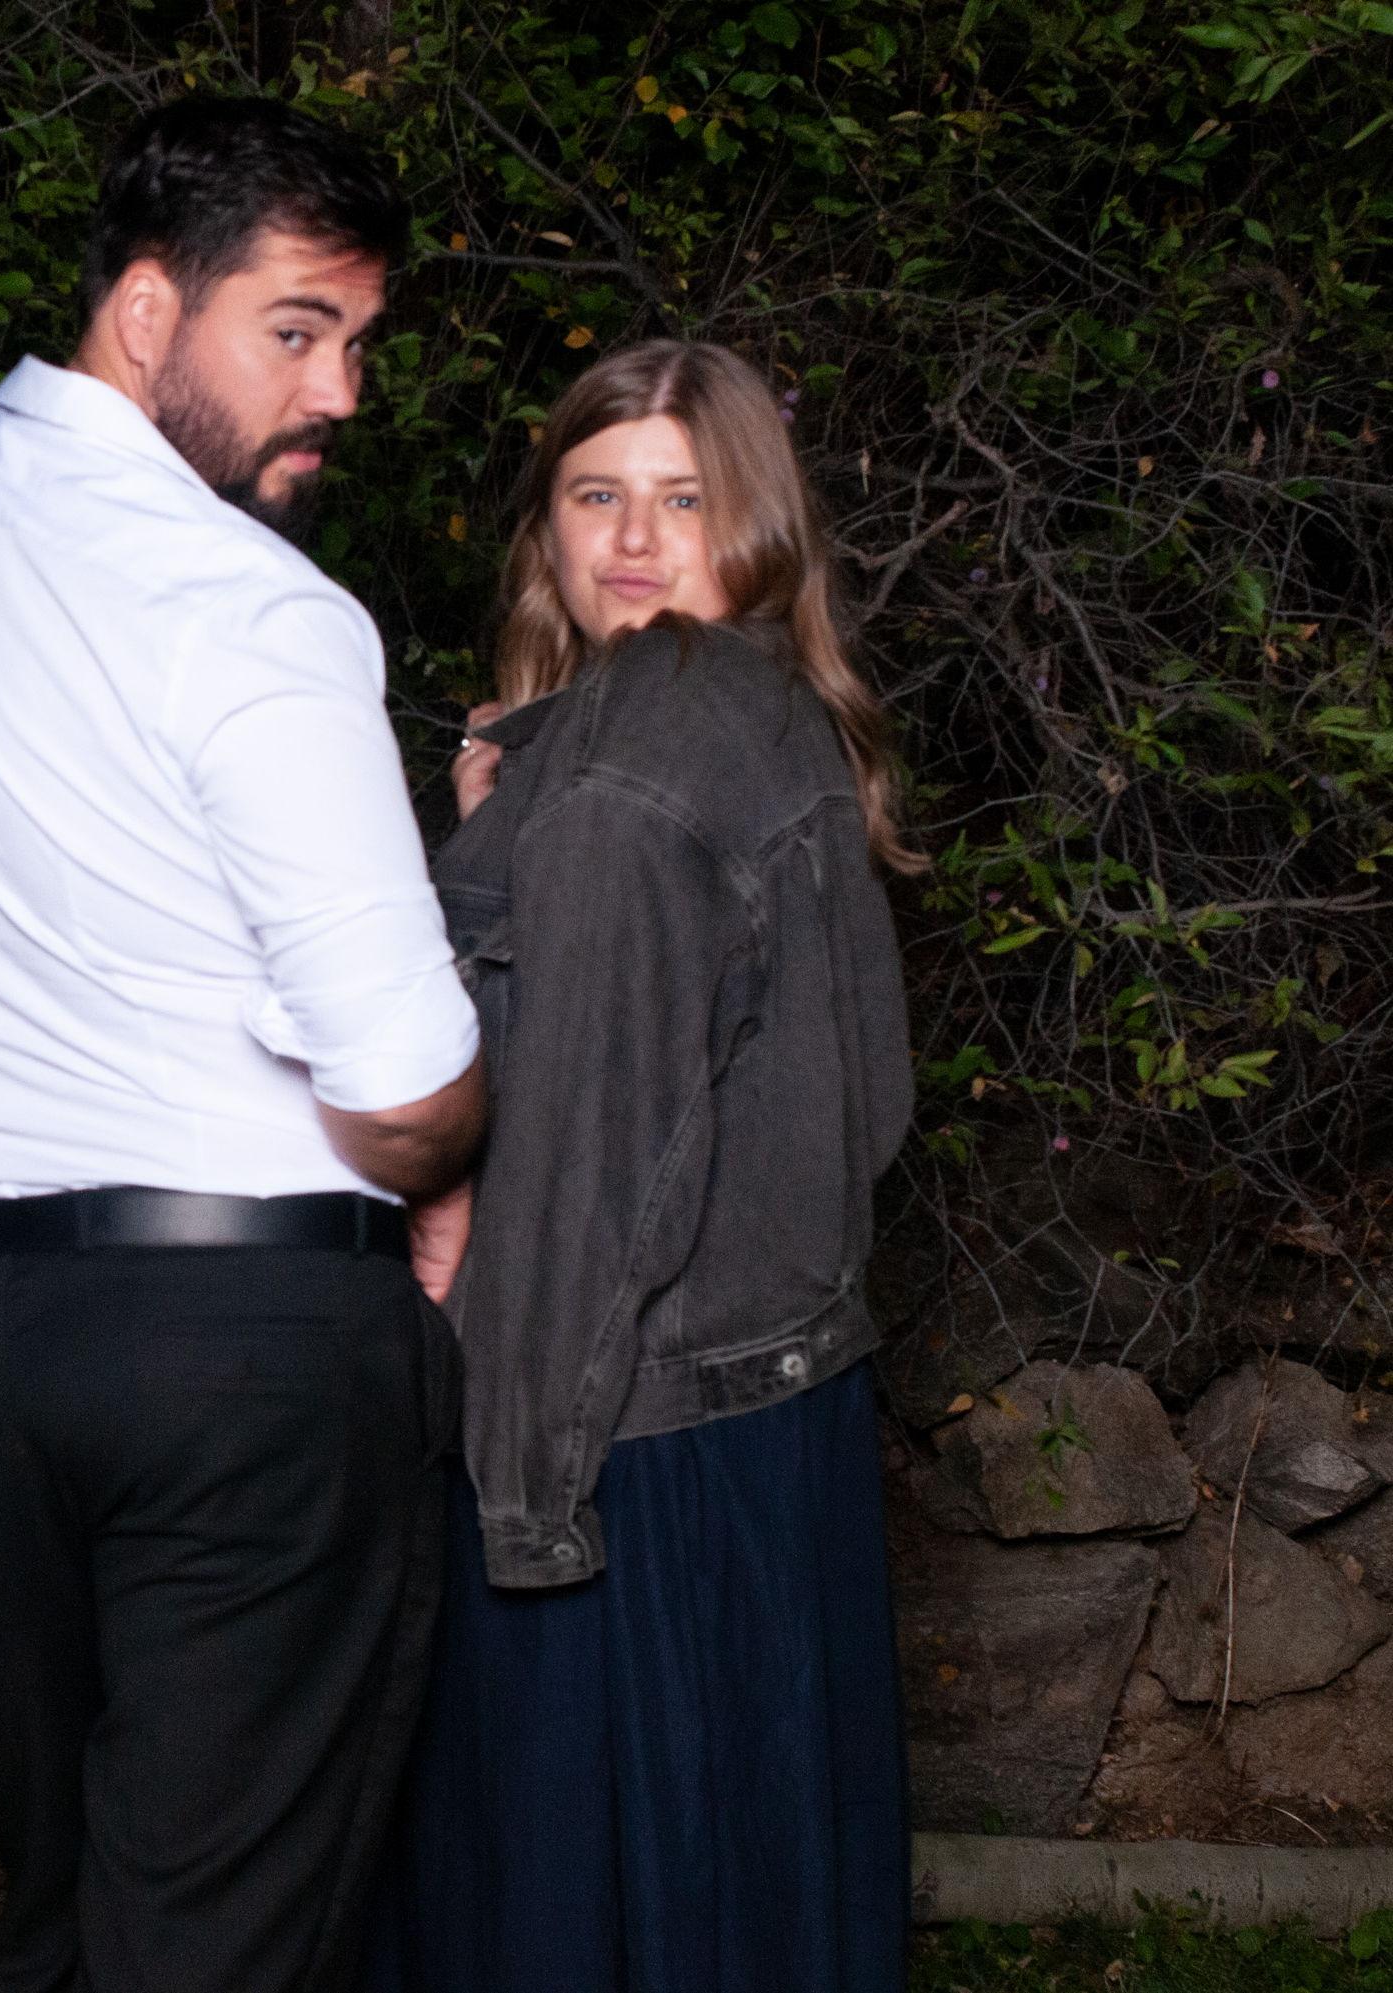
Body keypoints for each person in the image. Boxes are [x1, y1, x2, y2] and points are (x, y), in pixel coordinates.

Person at [0, 96, 484, 1993]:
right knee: (209, 1939)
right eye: (296, 330)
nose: (343, 391)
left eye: (358, 341)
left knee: (65, 1913)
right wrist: (453, 1157)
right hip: (245, 1351)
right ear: (146, 309)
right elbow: (401, 1091)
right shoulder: (258, 608)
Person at [373, 340, 921, 1993]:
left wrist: (518, 1502)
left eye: (684, 501)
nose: (631, 538)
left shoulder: (636, 766)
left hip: (620, 1444)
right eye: (594, 493)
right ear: (544, 524)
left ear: (757, 527)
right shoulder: (753, 714)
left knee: (571, 1911)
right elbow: (865, 1108)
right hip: (770, 1424)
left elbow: (580, 1182)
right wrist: (501, 809)